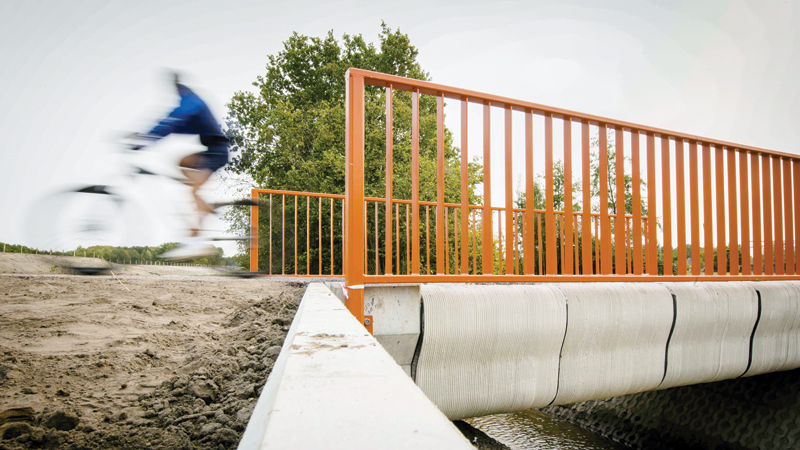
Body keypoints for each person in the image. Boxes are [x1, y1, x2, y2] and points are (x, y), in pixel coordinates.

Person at [129, 72, 229, 260]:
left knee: (194, 191)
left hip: (217, 152)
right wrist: (145, 136)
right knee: (180, 162)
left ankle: (198, 241)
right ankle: (199, 196)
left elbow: (173, 120)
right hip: (211, 149)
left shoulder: (192, 101)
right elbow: (172, 125)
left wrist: (146, 139)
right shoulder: (190, 100)